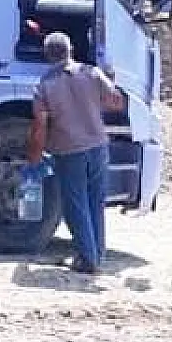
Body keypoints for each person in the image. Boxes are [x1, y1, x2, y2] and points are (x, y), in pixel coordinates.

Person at [26, 31, 124, 275]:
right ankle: (97, 254)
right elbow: (116, 101)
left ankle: (87, 259)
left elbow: (39, 127)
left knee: (75, 204)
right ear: (70, 50)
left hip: (69, 151)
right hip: (99, 146)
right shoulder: (92, 73)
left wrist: (34, 159)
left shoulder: (44, 86)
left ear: (47, 55)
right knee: (95, 203)